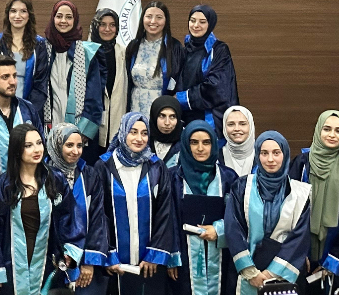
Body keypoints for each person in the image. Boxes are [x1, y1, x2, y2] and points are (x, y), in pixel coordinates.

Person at [0, 123, 86, 294]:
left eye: (39, 143)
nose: (37, 149)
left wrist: (70, 251)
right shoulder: (5, 184)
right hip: (12, 267)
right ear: (17, 150)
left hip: (46, 263)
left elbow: (70, 216)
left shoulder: (55, 179)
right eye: (28, 145)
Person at [94, 112, 179, 295]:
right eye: (133, 132)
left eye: (144, 133)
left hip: (148, 263)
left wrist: (154, 254)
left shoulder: (156, 167)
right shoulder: (104, 166)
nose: (139, 139)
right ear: (123, 133)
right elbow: (99, 214)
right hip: (115, 263)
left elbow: (165, 213)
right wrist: (108, 253)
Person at [225, 132, 310, 295]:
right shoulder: (242, 187)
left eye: (276, 153)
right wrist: (251, 272)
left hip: (285, 274)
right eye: (264, 153)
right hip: (247, 272)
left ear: (285, 155)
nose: (270, 159)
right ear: (258, 155)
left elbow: (300, 238)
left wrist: (270, 274)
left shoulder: (300, 193)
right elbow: (232, 228)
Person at [170, 121, 238, 295]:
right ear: (185, 144)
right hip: (184, 258)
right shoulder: (173, 177)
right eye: (194, 142)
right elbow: (167, 220)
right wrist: (173, 257)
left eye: (206, 142)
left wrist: (219, 230)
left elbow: (238, 216)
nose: (200, 148)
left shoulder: (228, 177)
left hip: (221, 255)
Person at [45, 123, 109, 295]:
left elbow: (98, 218)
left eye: (79, 145)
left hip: (84, 263)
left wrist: (89, 260)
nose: (75, 151)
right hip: (51, 261)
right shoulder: (43, 175)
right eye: (69, 145)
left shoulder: (89, 175)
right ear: (57, 145)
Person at [43, 1, 104, 161]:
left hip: (80, 130)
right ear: (52, 18)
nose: (63, 21)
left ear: (75, 20)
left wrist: (83, 132)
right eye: (59, 16)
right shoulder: (43, 50)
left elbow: (95, 98)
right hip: (50, 123)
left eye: (69, 17)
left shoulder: (86, 53)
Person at [288, 110, 339, 286]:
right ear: (318, 130)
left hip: (333, 253)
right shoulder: (302, 162)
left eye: (338, 131)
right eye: (327, 129)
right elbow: (289, 211)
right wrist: (297, 253)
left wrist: (333, 261)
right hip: (301, 252)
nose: (332, 135)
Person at [176, 6, 238, 140]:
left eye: (202, 22)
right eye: (192, 21)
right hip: (185, 119)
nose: (196, 25)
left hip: (210, 120)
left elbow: (216, 88)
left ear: (210, 24)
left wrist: (180, 98)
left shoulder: (219, 50)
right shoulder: (185, 49)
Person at [0, 0, 50, 115]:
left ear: (29, 15)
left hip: (30, 111)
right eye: (13, 11)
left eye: (23, 11)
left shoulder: (40, 45)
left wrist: (26, 111)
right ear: (8, 14)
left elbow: (41, 84)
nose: (18, 16)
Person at [125, 2, 184, 115]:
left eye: (159, 17)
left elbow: (180, 80)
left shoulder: (174, 47)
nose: (153, 21)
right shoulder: (134, 46)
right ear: (142, 19)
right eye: (149, 17)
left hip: (162, 108)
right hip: (135, 105)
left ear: (165, 21)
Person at [89, 9, 128, 150]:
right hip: (91, 122)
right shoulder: (86, 51)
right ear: (95, 26)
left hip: (116, 118)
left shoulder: (124, 52)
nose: (107, 29)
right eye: (102, 24)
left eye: (112, 25)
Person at [220, 106, 256, 177]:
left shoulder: (263, 154)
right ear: (224, 127)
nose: (237, 129)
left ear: (251, 126)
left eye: (242, 124)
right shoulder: (216, 157)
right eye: (231, 124)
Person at [149, 96, 184, 168]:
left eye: (172, 116)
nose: (167, 123)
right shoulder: (144, 139)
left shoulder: (185, 141)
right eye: (162, 116)